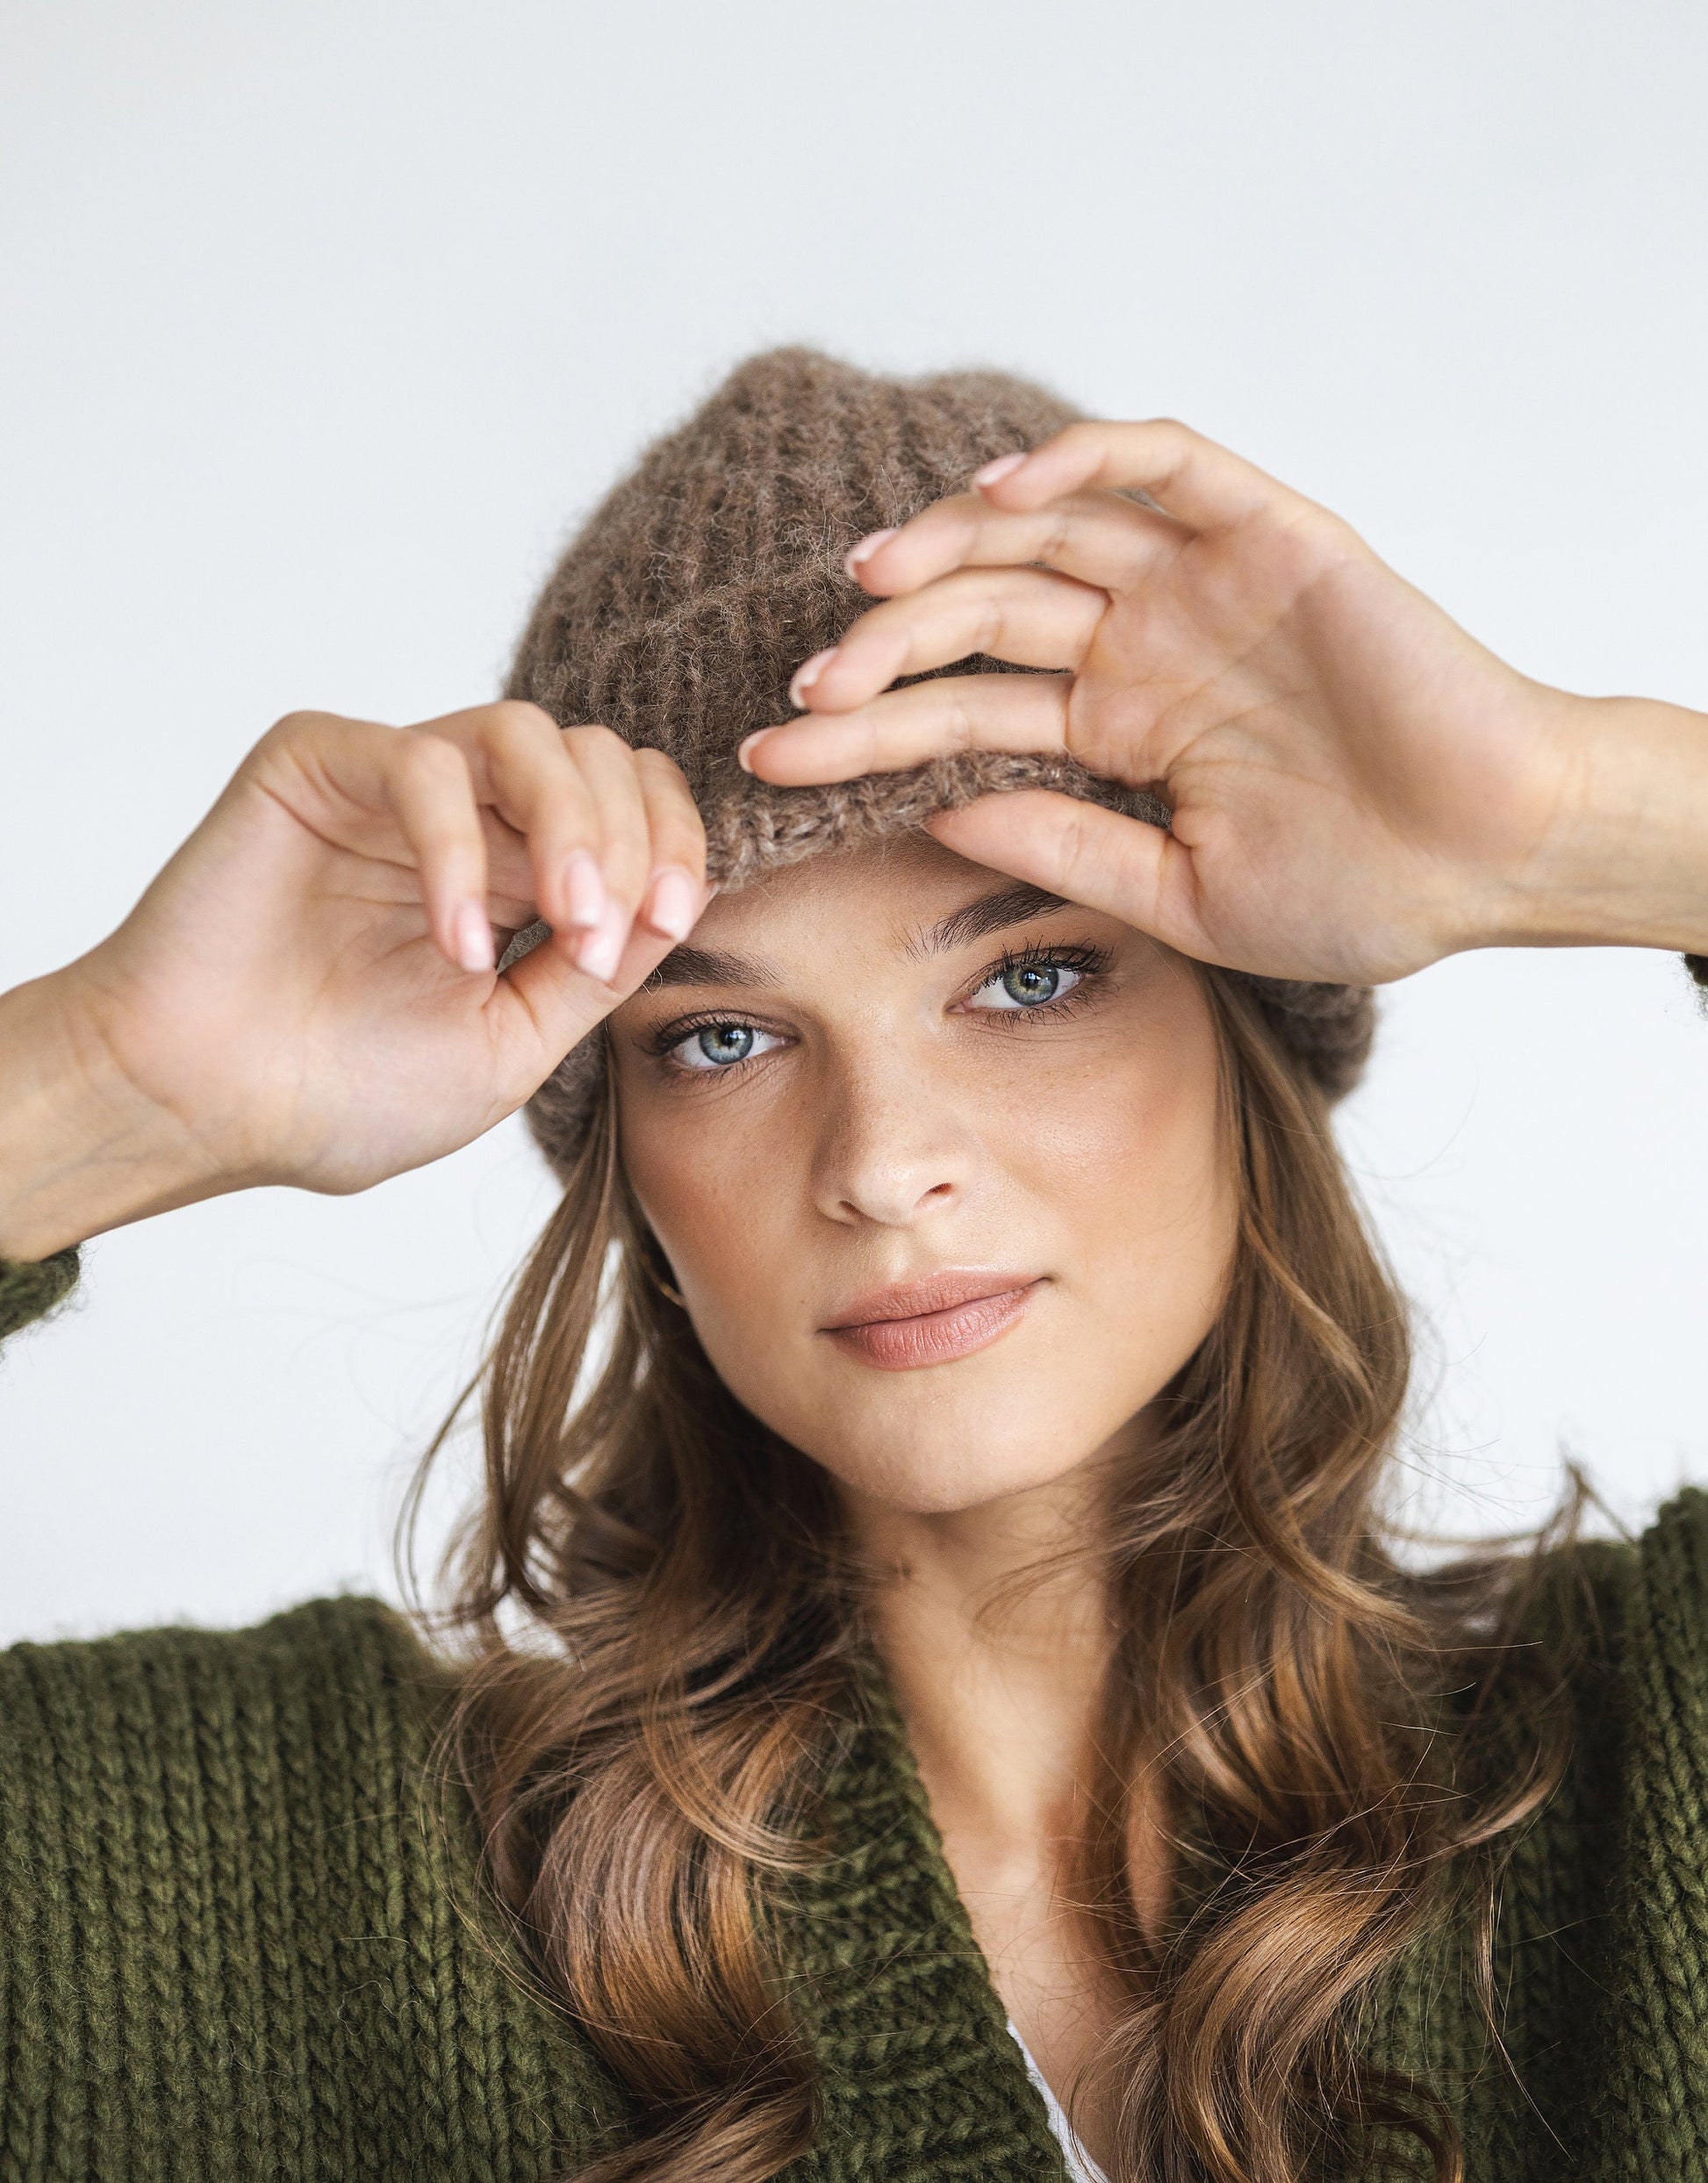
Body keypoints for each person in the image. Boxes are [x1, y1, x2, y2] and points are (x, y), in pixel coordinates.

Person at [1, 348, 1704, 2183]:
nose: (885, 1163)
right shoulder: (232, 1870)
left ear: (1244, 1022)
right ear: (625, 1152)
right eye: (719, 1037)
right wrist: (104, 1089)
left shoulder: (1640, 1770)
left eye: (1030, 973)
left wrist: (1571, 817)